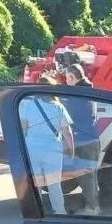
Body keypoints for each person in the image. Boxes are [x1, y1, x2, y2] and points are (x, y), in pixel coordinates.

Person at [19, 75, 74, 215]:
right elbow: (67, 132)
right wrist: (71, 149)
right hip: (52, 151)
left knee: (36, 183)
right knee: (54, 184)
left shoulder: (29, 105)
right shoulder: (58, 107)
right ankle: (60, 211)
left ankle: (37, 211)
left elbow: (24, 128)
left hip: (32, 149)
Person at [63, 64, 100, 214]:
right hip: (91, 138)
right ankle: (93, 205)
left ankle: (91, 208)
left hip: (83, 140)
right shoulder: (88, 91)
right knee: (91, 175)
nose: (65, 81)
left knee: (86, 176)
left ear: (72, 77)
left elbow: (71, 117)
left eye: (66, 78)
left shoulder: (76, 95)